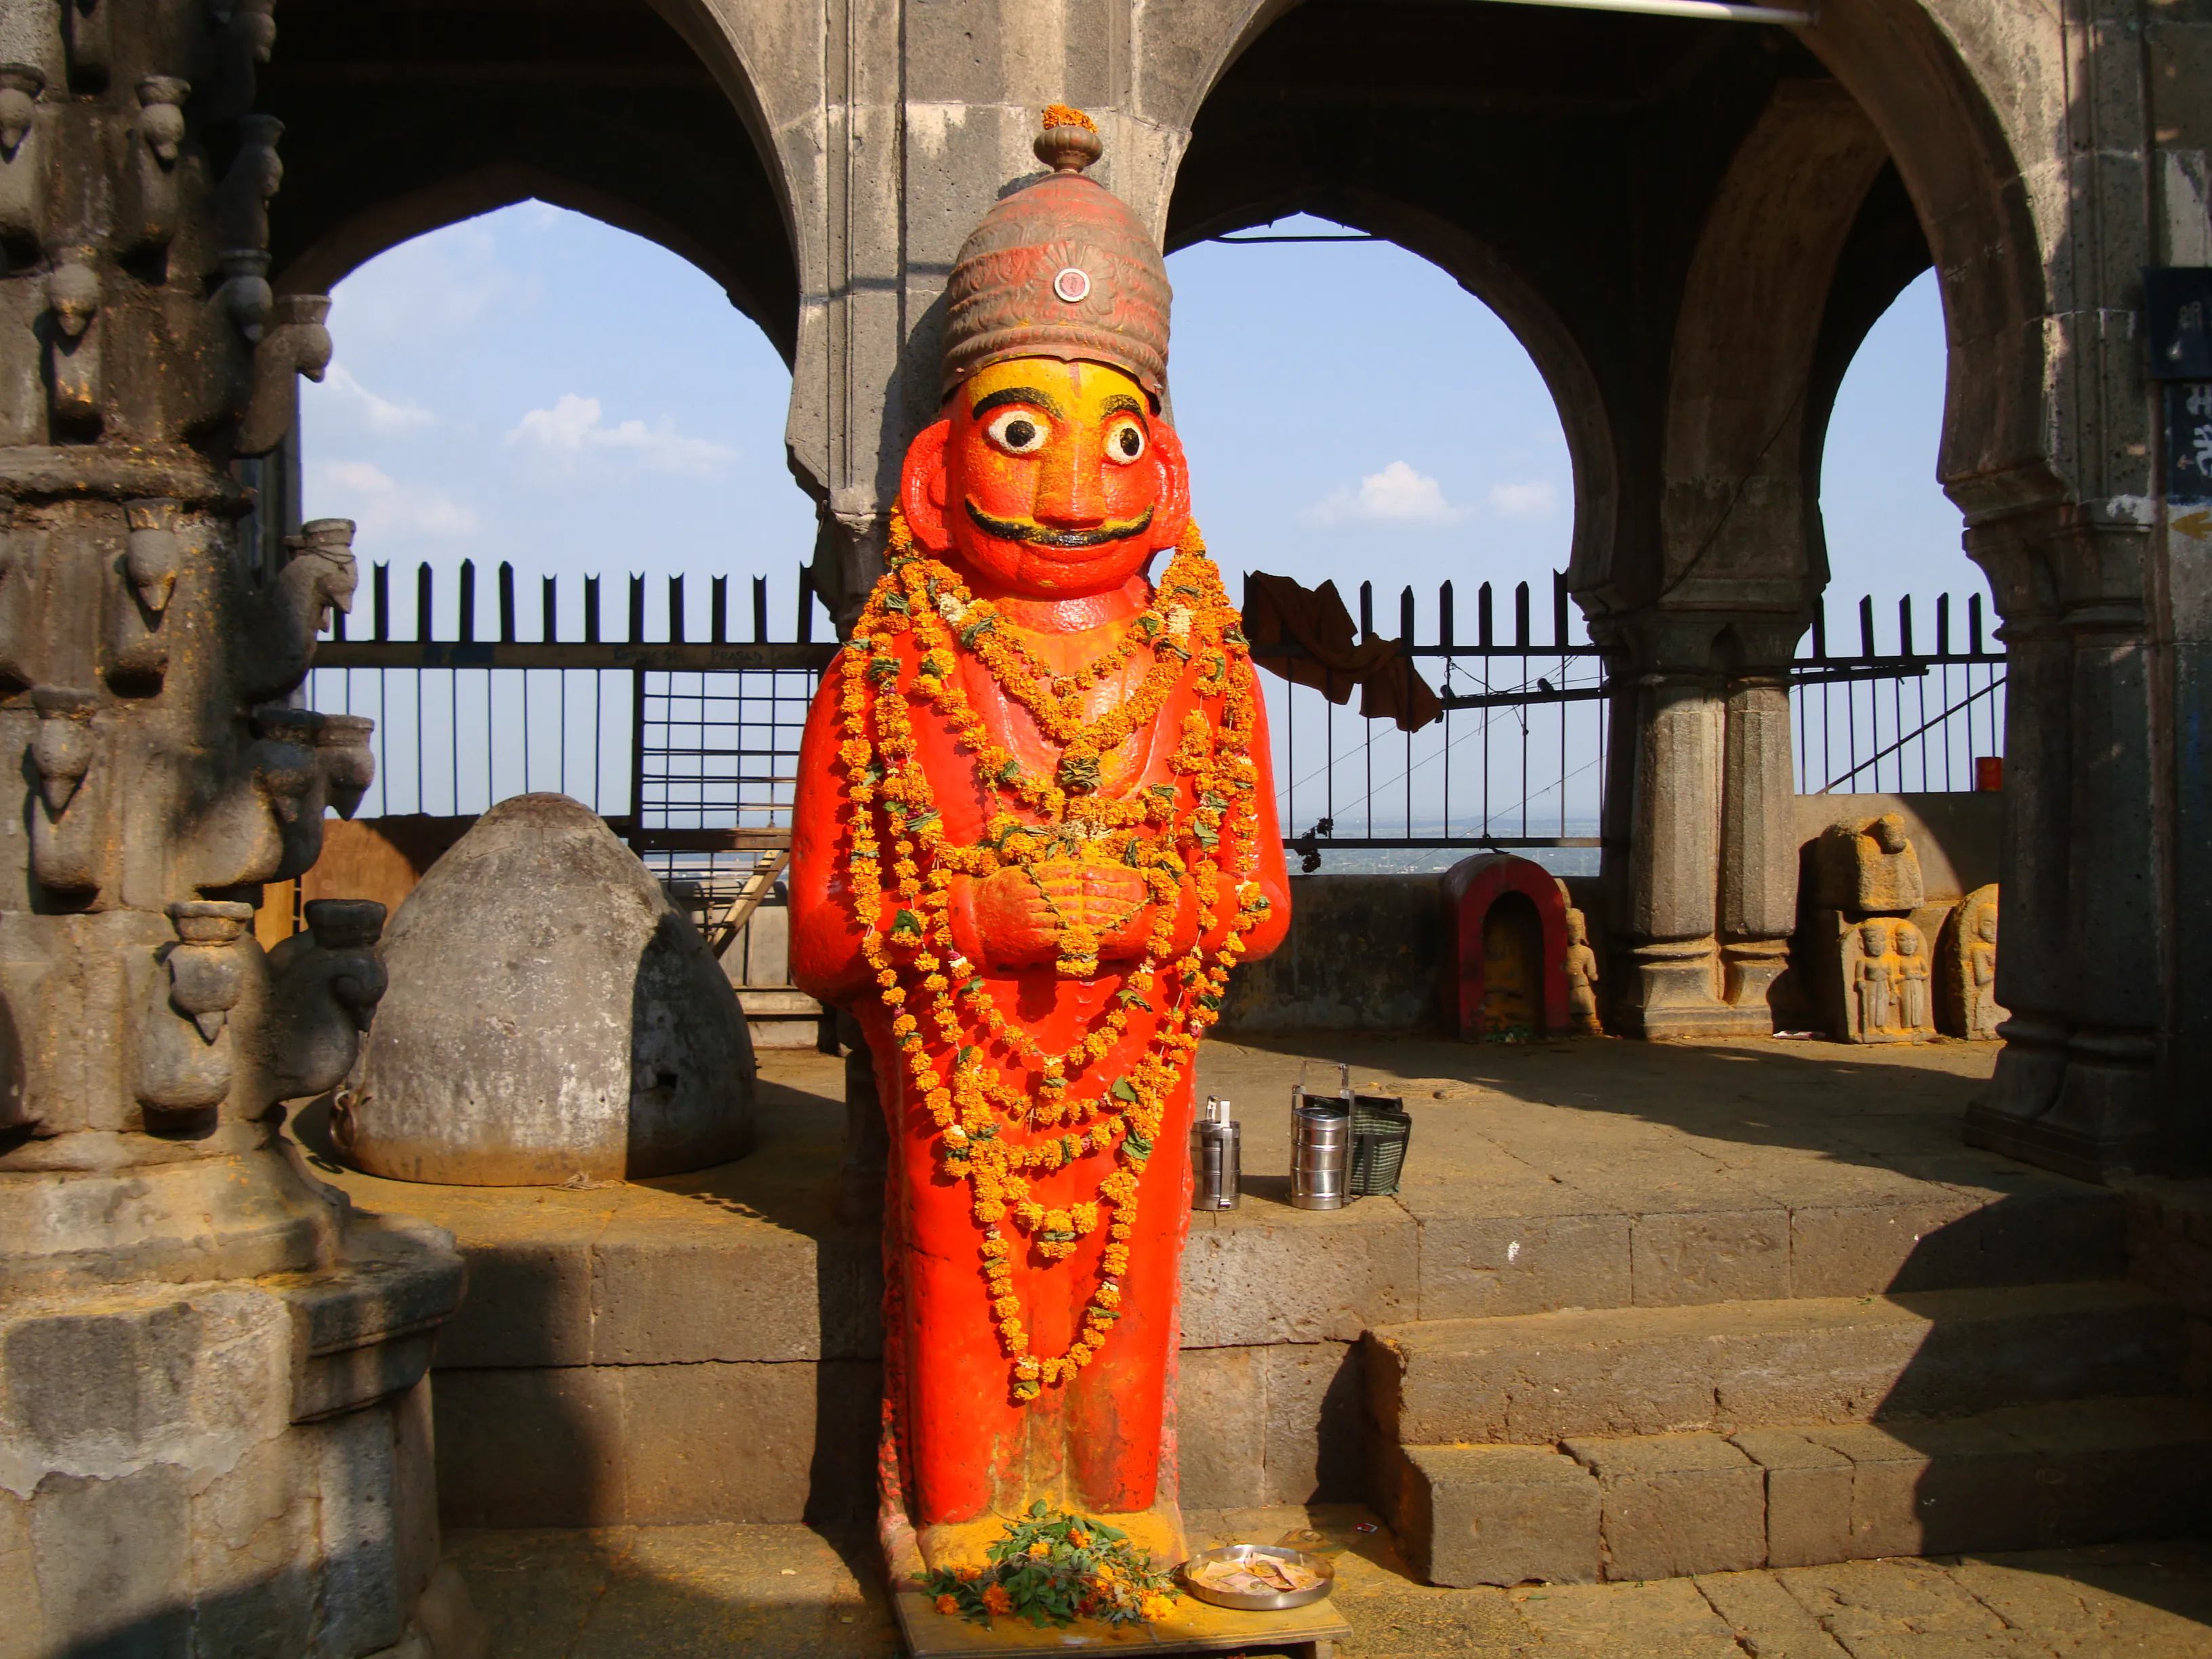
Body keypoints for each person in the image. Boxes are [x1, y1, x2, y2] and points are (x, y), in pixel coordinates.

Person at [789, 106, 1292, 1576]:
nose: (1073, 492)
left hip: (1135, 1076)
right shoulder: (885, 671)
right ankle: (957, 1534)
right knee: (955, 1287)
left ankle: (1122, 1518)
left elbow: (1257, 902)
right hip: (956, 1077)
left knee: (1131, 1302)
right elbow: (820, 934)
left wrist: (1146, 912)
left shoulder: (1204, 671)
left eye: (1115, 440)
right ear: (937, 465)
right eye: (1021, 435)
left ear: (1167, 470)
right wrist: (976, 921)